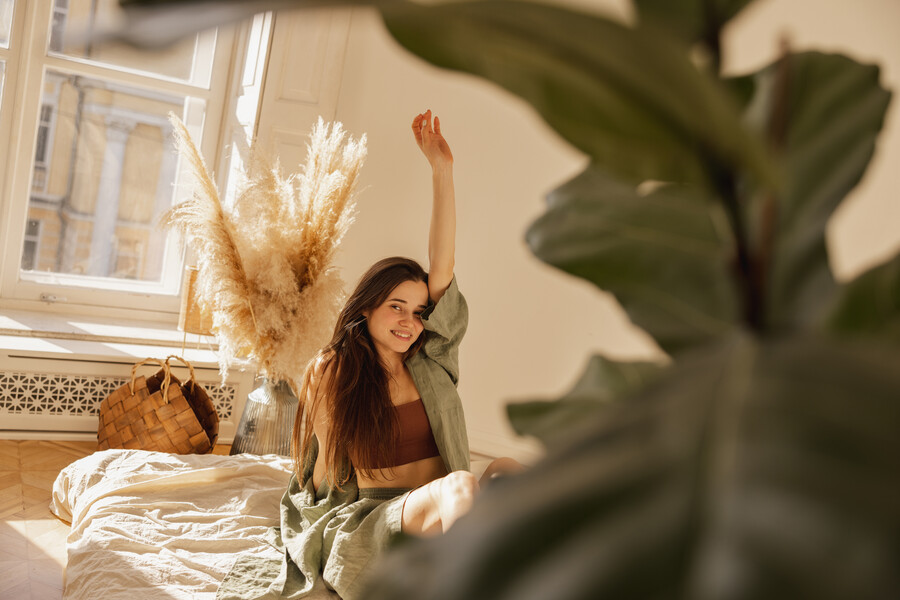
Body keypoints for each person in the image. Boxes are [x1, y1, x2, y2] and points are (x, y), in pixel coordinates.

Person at [216, 111, 520, 600]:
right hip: (375, 523)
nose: (409, 321)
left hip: (437, 518)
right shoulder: (333, 369)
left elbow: (443, 266)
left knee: (509, 467)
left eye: (419, 312)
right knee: (462, 483)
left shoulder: (431, 363)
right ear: (368, 307)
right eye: (395, 306)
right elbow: (324, 476)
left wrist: (442, 171)